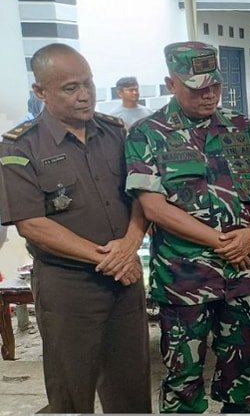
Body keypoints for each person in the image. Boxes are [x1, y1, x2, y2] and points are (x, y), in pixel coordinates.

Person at [0, 43, 150, 413]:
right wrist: (109, 257)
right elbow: (32, 224)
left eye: (88, 84)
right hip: (68, 285)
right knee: (71, 390)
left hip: (125, 279)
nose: (84, 96)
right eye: (70, 88)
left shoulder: (117, 133)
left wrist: (130, 245)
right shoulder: (20, 146)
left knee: (131, 388)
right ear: (41, 92)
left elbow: (141, 197)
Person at [125, 41, 250, 413]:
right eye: (197, 88)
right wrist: (222, 241)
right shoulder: (147, 134)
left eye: (215, 86)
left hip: (241, 273)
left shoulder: (240, 126)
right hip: (184, 279)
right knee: (182, 377)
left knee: (242, 370)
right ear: (171, 83)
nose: (208, 96)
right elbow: (153, 207)